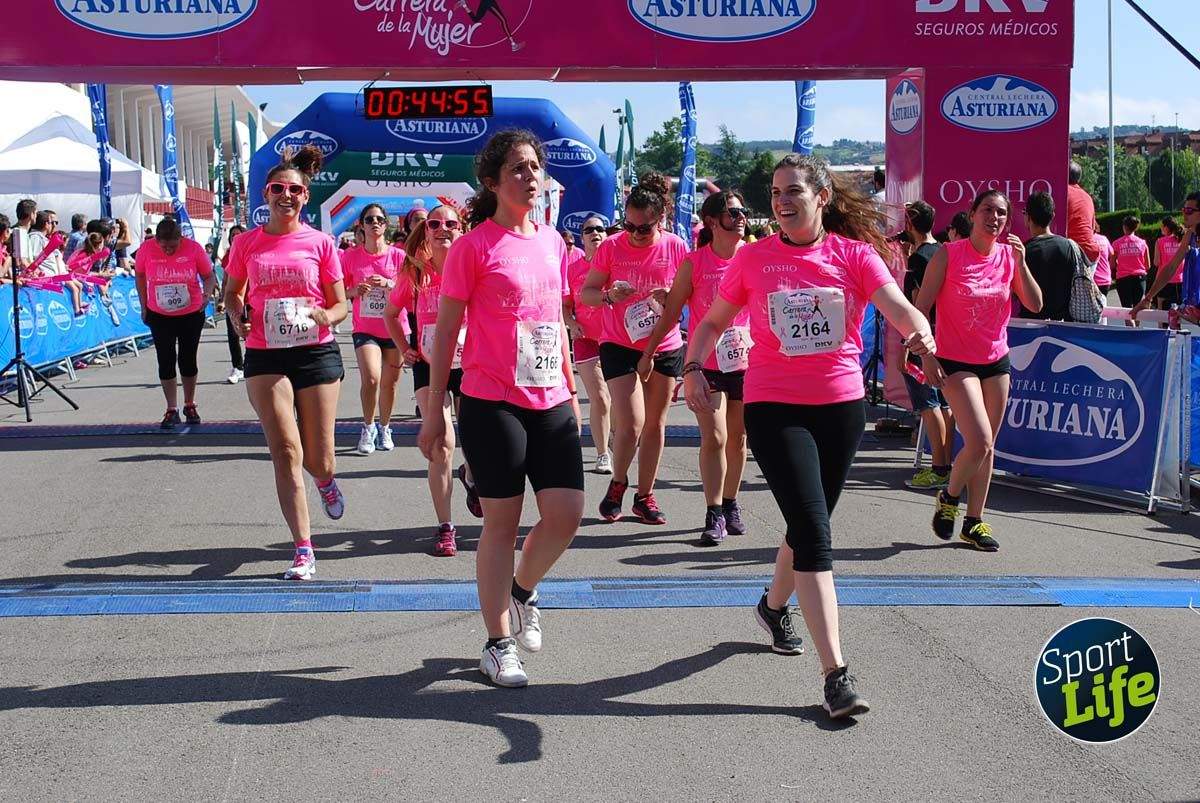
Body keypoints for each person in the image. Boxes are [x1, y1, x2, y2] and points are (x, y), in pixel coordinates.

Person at [685, 154, 935, 718]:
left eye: (793, 190)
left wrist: (921, 333)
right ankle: (835, 675)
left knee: (807, 524)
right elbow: (712, 322)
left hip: (841, 408)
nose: (781, 201)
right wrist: (693, 367)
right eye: (775, 192)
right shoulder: (754, 259)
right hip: (775, 408)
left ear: (821, 196)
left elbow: (899, 308)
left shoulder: (852, 255)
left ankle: (774, 608)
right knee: (816, 533)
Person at [417, 130, 583, 688]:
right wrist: (436, 407)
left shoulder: (553, 242)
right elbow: (445, 331)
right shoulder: (473, 247)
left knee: (566, 513)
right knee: (501, 523)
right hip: (491, 400)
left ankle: (523, 589)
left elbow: (553, 321)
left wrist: (571, 387)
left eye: (534, 166)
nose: (529, 176)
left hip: (551, 395)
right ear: (492, 182)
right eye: (516, 168)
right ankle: (496, 642)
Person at [223, 145, 349, 582]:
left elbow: (341, 305)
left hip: (315, 351)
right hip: (266, 352)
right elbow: (232, 293)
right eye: (279, 188)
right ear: (266, 193)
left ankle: (326, 481)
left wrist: (324, 316)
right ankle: (303, 548)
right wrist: (238, 315)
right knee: (285, 451)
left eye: (295, 189)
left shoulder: (321, 243)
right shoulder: (246, 243)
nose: (287, 195)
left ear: (305, 196)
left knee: (320, 459)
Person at [917, 189, 1042, 553]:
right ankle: (949, 495)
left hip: (996, 359)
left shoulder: (1008, 256)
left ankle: (974, 521)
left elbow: (1034, 304)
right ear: (972, 214)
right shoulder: (948, 254)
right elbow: (920, 309)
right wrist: (926, 357)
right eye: (987, 210)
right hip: (955, 361)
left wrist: (1022, 263)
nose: (995, 218)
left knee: (988, 447)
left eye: (1002, 213)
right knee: (981, 440)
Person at [638, 190, 751, 545]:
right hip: (706, 364)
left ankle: (731, 503)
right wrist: (649, 352)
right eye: (734, 213)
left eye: (743, 211)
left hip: (747, 361)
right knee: (714, 438)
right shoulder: (695, 263)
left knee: (739, 439)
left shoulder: (752, 257)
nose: (742, 217)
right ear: (714, 221)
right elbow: (672, 313)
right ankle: (714, 511)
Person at [580, 172, 688, 525]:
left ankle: (645, 495)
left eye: (644, 228)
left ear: (660, 221)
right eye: (629, 226)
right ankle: (618, 484)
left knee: (656, 425)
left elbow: (689, 299)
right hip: (620, 343)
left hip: (665, 343)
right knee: (631, 423)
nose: (636, 234)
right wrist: (610, 295)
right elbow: (588, 293)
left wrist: (671, 299)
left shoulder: (675, 246)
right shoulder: (612, 247)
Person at [385, 205, 474, 557]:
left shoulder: (472, 268)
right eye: (434, 224)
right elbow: (392, 314)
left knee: (477, 441)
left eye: (450, 223)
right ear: (425, 232)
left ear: (461, 228)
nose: (442, 229)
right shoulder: (415, 272)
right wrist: (405, 346)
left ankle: (472, 474)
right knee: (441, 444)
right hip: (427, 362)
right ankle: (446, 526)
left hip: (469, 363)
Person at [135, 218, 217, 429]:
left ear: (181, 239)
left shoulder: (194, 249)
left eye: (173, 246)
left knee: (188, 359)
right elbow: (141, 276)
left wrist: (206, 296)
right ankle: (171, 408)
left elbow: (209, 276)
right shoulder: (146, 249)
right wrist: (144, 306)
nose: (169, 251)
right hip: (159, 313)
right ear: (157, 241)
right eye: (164, 247)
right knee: (166, 359)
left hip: (190, 312)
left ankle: (190, 403)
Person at [342, 204, 406, 454]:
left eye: (380, 219)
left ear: (386, 225)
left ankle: (385, 427)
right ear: (362, 225)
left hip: (395, 327)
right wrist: (354, 291)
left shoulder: (399, 256)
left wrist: (390, 283)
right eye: (370, 219)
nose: (375, 223)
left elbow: (410, 290)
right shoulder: (350, 257)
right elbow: (339, 293)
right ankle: (367, 427)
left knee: (390, 384)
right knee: (371, 378)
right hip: (365, 328)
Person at [900, 201, 954, 490]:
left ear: (909, 223)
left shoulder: (920, 259)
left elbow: (915, 306)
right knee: (944, 403)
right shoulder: (944, 252)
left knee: (928, 404)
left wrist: (905, 347)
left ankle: (939, 467)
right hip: (945, 337)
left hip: (924, 338)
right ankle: (944, 464)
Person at [563, 215, 613, 474]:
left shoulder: (616, 266)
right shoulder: (573, 269)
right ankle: (603, 453)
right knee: (601, 398)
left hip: (616, 340)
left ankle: (612, 434)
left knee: (618, 399)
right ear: (582, 238)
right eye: (589, 230)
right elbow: (565, 306)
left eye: (600, 229)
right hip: (586, 340)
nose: (595, 233)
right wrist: (571, 324)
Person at [1132, 193, 1200, 320]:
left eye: (1189, 211)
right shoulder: (1190, 235)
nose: (1184, 214)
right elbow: (1171, 267)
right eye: (1184, 210)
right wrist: (1148, 298)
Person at [1018, 191, 1076, 322]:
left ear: (1028, 217)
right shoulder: (1069, 247)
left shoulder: (1023, 252)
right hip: (1063, 327)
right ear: (1052, 215)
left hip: (1029, 328)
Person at [217, 225, 247, 383]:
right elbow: (226, 279)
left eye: (238, 234)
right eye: (232, 235)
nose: (235, 237)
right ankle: (238, 367)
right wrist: (222, 299)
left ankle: (250, 364)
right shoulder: (228, 255)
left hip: (250, 299)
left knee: (251, 335)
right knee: (233, 334)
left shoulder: (251, 249)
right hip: (233, 299)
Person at [1112, 215, 1150, 309]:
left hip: (1123, 279)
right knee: (1138, 309)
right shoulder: (1142, 243)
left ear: (1124, 227)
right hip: (1139, 278)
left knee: (1126, 309)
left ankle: (1130, 324)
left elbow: (1112, 264)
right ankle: (1136, 324)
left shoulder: (1116, 243)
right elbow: (1148, 265)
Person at [1066, 161, 1100, 263]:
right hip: (1090, 254)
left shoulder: (1063, 191)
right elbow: (1092, 229)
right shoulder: (1087, 197)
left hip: (1070, 252)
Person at [1153, 217, 1185, 309]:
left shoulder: (1159, 242)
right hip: (1180, 280)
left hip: (1164, 280)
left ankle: (1163, 324)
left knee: (1162, 310)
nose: (1160, 228)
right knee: (1176, 312)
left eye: (1161, 226)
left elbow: (1156, 262)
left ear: (1166, 228)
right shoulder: (1182, 240)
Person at [11, 198, 36, 271]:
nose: (36, 216)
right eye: (36, 213)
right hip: (20, 278)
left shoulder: (20, 232)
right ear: (31, 214)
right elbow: (22, 262)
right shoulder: (19, 233)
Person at [1092, 224, 1115, 301]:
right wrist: (1109, 267)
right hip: (1105, 278)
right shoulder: (1104, 239)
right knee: (1103, 304)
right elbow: (1112, 254)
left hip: (1093, 279)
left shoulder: (1086, 240)